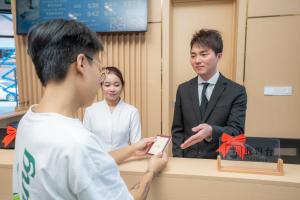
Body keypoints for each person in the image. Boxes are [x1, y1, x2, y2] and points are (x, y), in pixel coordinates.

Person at [13, 19, 168, 200]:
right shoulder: (78, 143)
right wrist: (150, 171)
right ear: (82, 63)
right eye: (99, 68)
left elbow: (92, 162)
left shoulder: (28, 120)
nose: (100, 80)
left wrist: (132, 149)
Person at [172, 29, 247, 159]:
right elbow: (177, 130)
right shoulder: (183, 89)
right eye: (193, 55)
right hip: (187, 162)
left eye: (203, 54)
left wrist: (212, 131)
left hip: (219, 162)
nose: (197, 60)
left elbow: (236, 131)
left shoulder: (236, 91)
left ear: (219, 56)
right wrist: (178, 157)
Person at [83, 66, 141, 151]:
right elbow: (86, 142)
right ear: (101, 86)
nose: (112, 89)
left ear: (122, 86)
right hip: (97, 161)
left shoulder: (132, 112)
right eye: (107, 85)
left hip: (124, 161)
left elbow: (136, 145)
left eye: (116, 85)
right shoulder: (91, 110)